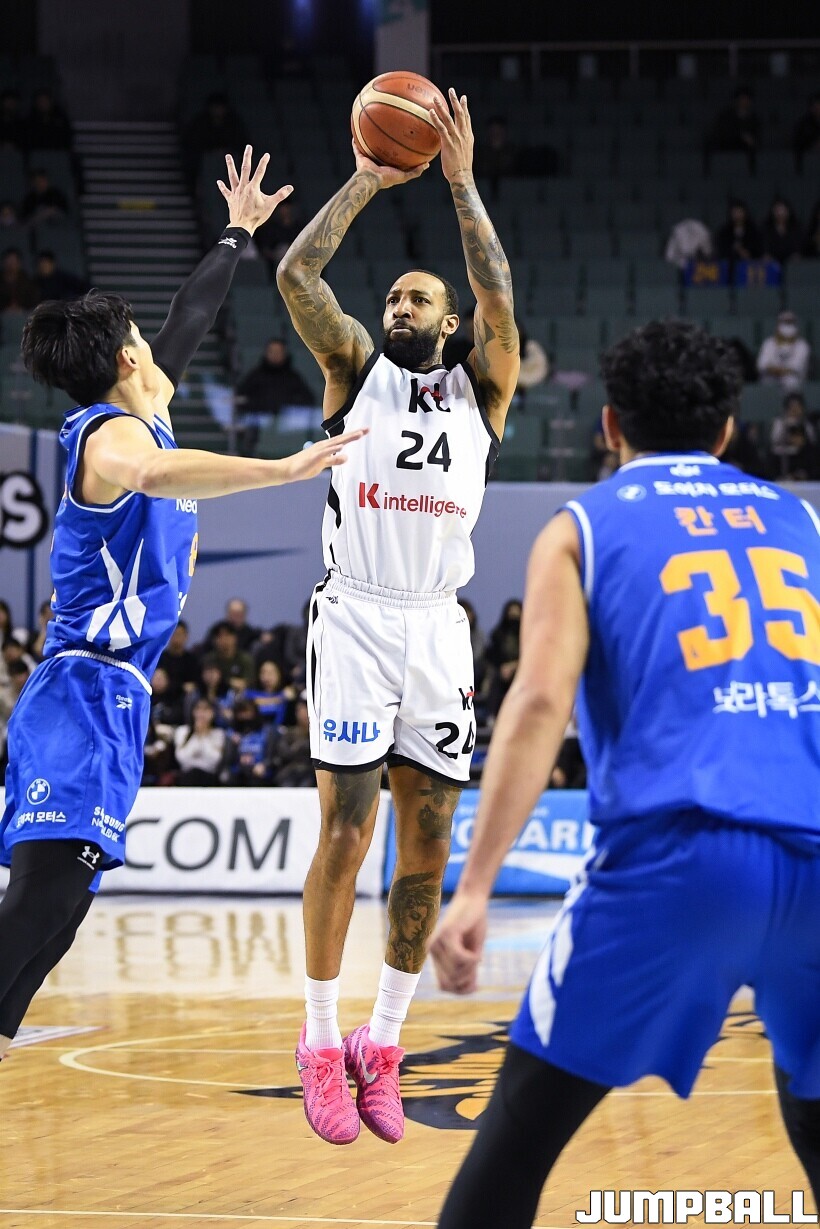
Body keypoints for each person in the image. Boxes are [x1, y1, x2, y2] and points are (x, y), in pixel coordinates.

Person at [430, 319, 820, 1227]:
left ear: (610, 425)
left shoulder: (582, 526)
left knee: (519, 1136)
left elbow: (539, 703)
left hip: (680, 856)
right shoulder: (800, 519)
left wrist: (475, 885)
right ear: (729, 428)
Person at [0, 147, 364, 1062]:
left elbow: (189, 314)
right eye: (147, 343)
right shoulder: (108, 437)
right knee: (43, 895)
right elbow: (156, 474)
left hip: (118, 695)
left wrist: (236, 233)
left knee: (64, 907)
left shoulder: (142, 408)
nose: (163, 348)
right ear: (131, 361)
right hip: (80, 690)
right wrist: (282, 468)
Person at [277, 88, 519, 1145]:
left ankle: (382, 1041)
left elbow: (499, 291)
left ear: (450, 322)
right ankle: (317, 1041)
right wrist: (369, 180)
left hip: (436, 625)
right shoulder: (353, 370)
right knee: (347, 827)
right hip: (357, 618)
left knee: (427, 838)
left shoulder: (484, 390)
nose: (400, 306)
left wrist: (460, 184)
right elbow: (297, 276)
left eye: (419, 298)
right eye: (393, 296)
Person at [234, 337, 316, 454]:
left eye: (279, 352)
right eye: (272, 351)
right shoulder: (255, 376)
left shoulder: (293, 378)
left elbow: (308, 400)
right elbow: (241, 399)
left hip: (286, 429)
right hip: (259, 426)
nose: (275, 355)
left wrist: (287, 410)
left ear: (284, 354)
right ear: (266, 353)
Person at [705, 86, 761, 166]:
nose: (744, 102)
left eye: (747, 99)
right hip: (726, 145)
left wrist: (751, 140)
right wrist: (741, 136)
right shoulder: (725, 116)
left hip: (744, 149)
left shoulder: (754, 119)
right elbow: (721, 132)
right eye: (742, 99)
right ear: (737, 100)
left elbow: (757, 137)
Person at [757, 310, 811, 391]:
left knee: (790, 379)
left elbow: (795, 368)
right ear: (778, 324)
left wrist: (774, 369)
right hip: (771, 380)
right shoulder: (768, 343)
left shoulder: (802, 345)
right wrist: (780, 371)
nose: (787, 326)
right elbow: (762, 365)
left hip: (795, 384)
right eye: (785, 322)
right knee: (767, 380)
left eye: (790, 323)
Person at [714, 199, 761, 266]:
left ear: (745, 213)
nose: (737, 215)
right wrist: (735, 250)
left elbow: (757, 250)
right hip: (729, 266)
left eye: (740, 212)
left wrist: (747, 253)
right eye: (735, 212)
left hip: (750, 266)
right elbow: (721, 250)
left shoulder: (753, 231)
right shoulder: (724, 231)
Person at [760, 197, 802, 266]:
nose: (780, 213)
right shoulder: (766, 228)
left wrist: (796, 255)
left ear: (788, 211)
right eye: (777, 210)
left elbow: (798, 247)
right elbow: (764, 247)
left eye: (783, 210)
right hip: (772, 263)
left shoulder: (796, 227)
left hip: (792, 263)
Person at [0, 248, 37, 313]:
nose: (11, 265)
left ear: (19, 263)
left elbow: (33, 302)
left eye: (14, 261)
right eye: (8, 261)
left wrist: (21, 308)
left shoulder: (27, 281)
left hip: (24, 315)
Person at [794, 93, 820, 172]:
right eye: (815, 106)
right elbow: (799, 139)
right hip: (809, 150)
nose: (817, 108)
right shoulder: (805, 122)